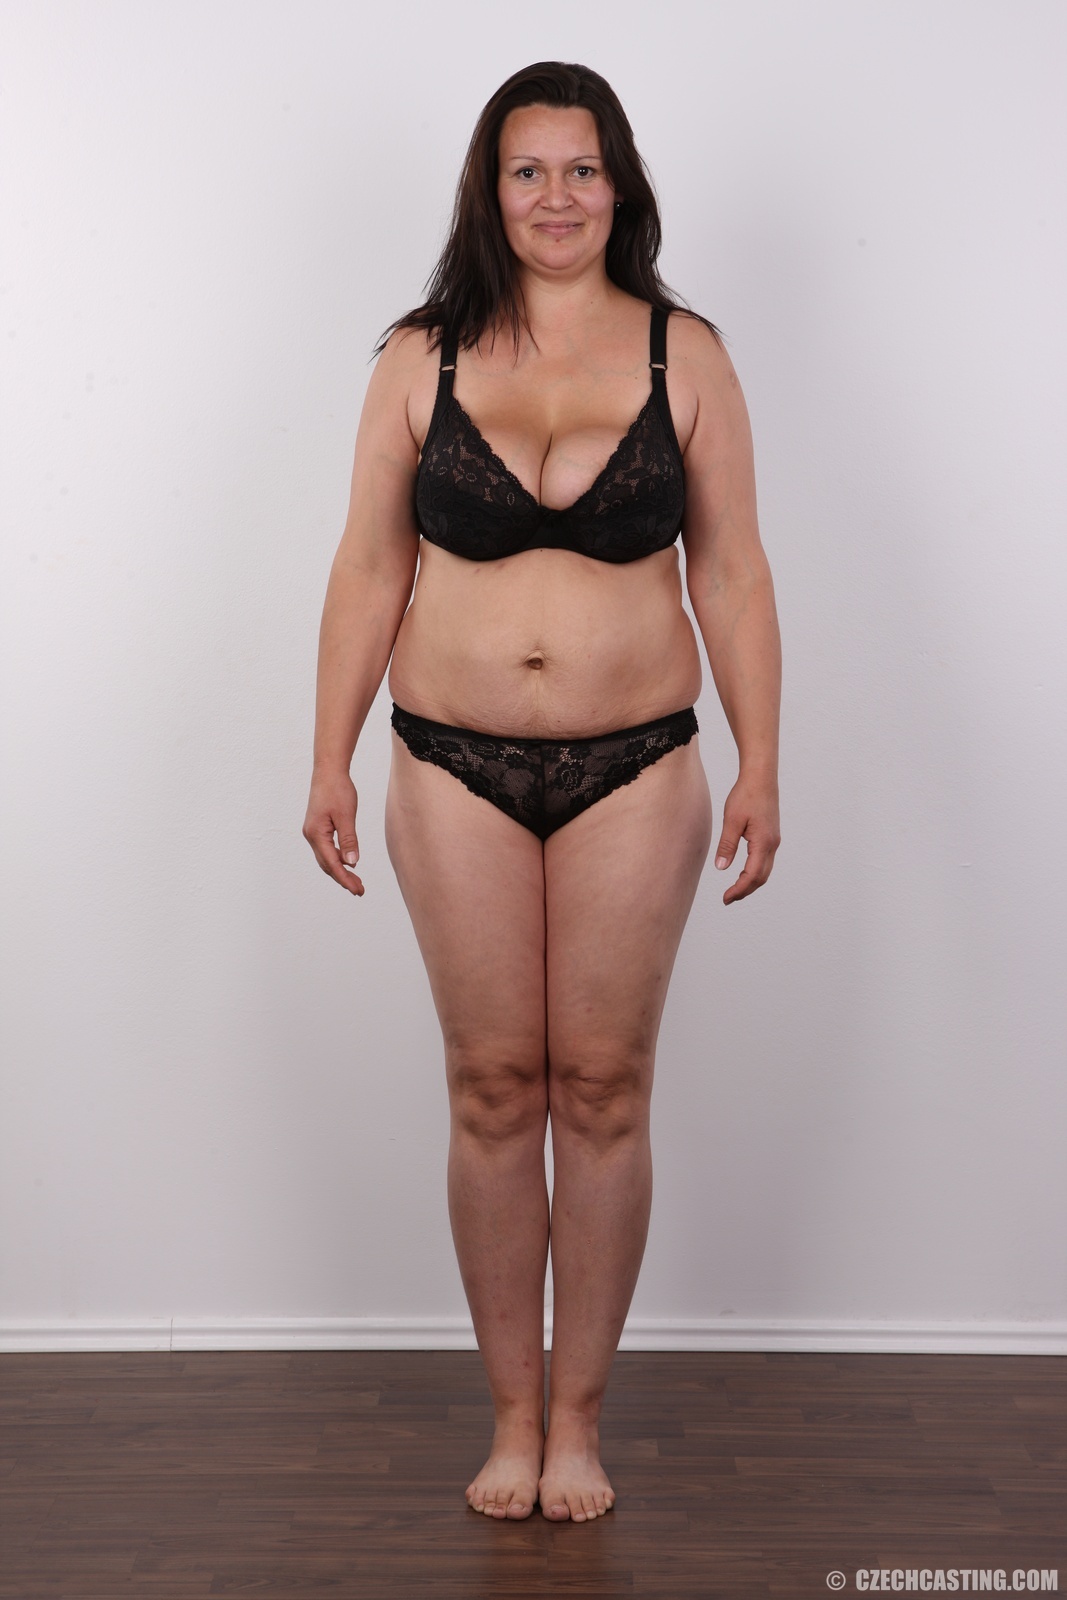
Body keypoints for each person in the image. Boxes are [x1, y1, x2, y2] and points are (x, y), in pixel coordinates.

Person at [302, 60, 781, 1524]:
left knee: (606, 1086)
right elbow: (369, 567)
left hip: (640, 760)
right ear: (489, 190)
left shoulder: (686, 355)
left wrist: (764, 759)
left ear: (620, 185)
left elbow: (733, 573)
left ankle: (580, 1423)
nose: (557, 199)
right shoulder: (420, 357)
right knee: (496, 1084)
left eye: (582, 170)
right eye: (529, 172)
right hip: (450, 757)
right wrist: (326, 754)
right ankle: (511, 1417)